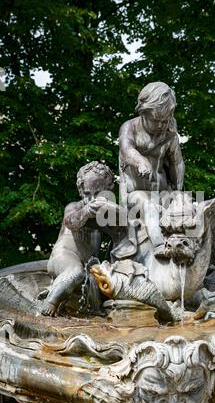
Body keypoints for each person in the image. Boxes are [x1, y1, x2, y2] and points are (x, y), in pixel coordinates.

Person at [117, 82, 185, 258]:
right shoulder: (129, 127)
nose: (161, 125)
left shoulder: (170, 132)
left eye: (165, 120)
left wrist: (178, 190)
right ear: (143, 111)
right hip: (136, 195)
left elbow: (177, 162)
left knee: (188, 206)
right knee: (149, 206)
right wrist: (140, 161)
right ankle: (159, 246)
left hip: (162, 192)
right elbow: (126, 149)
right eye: (156, 120)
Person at [40, 161, 115, 316]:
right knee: (75, 272)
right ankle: (51, 301)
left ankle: (61, 287)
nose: (92, 198)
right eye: (88, 194)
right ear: (81, 190)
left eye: (99, 194)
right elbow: (71, 222)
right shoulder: (75, 207)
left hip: (86, 265)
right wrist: (86, 211)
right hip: (64, 256)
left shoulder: (107, 215)